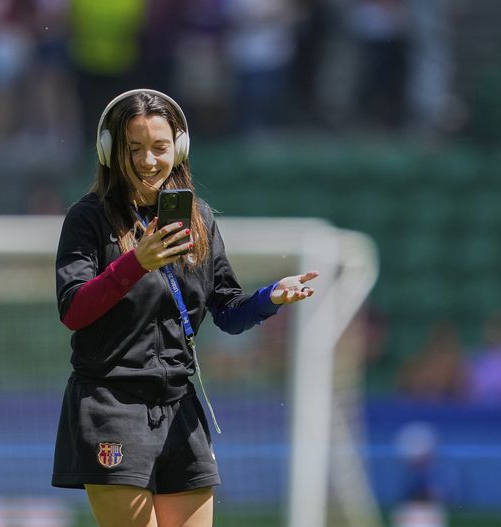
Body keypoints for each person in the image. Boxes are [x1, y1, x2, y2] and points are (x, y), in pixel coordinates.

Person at [52, 89, 319, 527]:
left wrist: (269, 297)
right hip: (110, 404)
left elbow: (228, 312)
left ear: (178, 148)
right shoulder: (87, 218)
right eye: (132, 148)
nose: (147, 160)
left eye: (158, 147)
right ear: (109, 151)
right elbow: (74, 311)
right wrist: (136, 262)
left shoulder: (200, 218)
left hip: (179, 405)